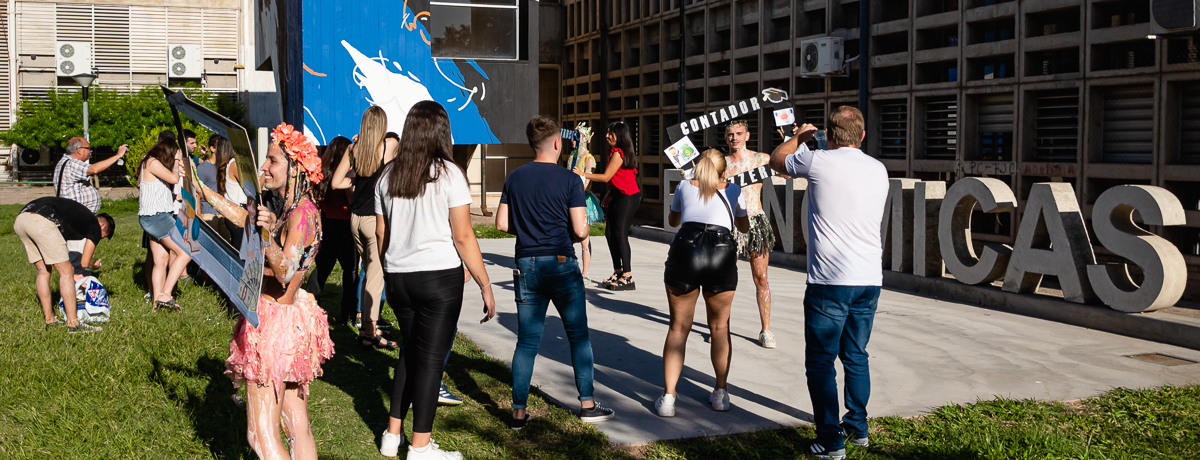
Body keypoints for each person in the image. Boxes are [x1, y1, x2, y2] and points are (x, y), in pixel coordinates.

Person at [199, 122, 334, 460]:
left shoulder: (301, 215)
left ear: (296, 168)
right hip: (291, 321)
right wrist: (205, 194)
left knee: (260, 435)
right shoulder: (295, 210)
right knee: (295, 424)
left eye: (273, 161)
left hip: (276, 325)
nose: (264, 167)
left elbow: (286, 270)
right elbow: (248, 221)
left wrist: (267, 236)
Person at [374, 101, 495, 459]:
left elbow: (383, 233)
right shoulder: (450, 174)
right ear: (441, 132)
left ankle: (392, 435)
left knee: (411, 354)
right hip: (438, 279)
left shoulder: (388, 175)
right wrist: (485, 283)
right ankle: (421, 447)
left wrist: (391, 269)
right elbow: (463, 236)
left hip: (399, 277)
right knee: (429, 362)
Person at [769, 107, 889, 460]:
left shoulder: (819, 161)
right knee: (856, 355)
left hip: (830, 281)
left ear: (830, 135)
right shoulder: (878, 168)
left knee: (821, 361)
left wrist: (797, 138)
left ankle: (830, 440)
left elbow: (779, 161)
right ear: (863, 135)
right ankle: (858, 427)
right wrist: (811, 146)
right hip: (869, 279)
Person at [497, 116, 616, 431]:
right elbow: (579, 230)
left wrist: (527, 228)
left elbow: (500, 224)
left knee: (527, 340)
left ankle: (518, 413)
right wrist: (583, 227)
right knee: (577, 335)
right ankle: (587, 404)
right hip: (561, 263)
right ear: (556, 143)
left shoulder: (514, 178)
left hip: (526, 264)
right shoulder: (568, 181)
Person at [656, 149, 750, 417]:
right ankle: (721, 393)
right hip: (721, 252)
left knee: (678, 327)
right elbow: (742, 227)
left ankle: (668, 398)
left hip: (686, 250)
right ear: (725, 170)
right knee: (720, 327)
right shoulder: (733, 190)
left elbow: (673, 221)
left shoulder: (684, 185)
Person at [331, 105, 399, 349]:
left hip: (355, 219)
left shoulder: (353, 148)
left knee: (368, 270)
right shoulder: (387, 146)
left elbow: (336, 183)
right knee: (375, 274)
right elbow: (392, 178)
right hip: (374, 219)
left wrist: (357, 178)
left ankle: (369, 328)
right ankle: (368, 332)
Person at [15, 197, 114, 333]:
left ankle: (50, 320)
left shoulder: (77, 221)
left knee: (43, 270)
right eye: (102, 236)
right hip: (41, 221)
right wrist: (95, 266)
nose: (98, 239)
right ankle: (73, 324)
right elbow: (85, 263)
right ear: (102, 226)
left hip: (21, 219)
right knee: (67, 271)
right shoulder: (94, 226)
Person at [723, 120, 779, 349]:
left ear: (747, 135)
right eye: (730, 134)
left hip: (755, 221)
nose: (734, 137)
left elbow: (786, 168)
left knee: (761, 278)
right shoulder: (722, 164)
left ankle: (766, 329)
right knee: (725, 279)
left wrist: (790, 138)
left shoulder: (761, 160)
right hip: (730, 224)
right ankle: (721, 328)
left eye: (738, 133)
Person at [575, 121, 640, 291]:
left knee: (620, 234)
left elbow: (605, 177)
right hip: (618, 195)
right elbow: (619, 176)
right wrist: (610, 194)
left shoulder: (619, 153)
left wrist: (583, 174)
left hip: (628, 197)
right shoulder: (615, 152)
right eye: (607, 133)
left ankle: (628, 276)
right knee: (610, 234)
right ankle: (618, 271)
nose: (607, 136)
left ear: (620, 136)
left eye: (611, 134)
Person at [305, 136, 359, 325]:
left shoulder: (321, 173)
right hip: (345, 225)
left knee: (322, 268)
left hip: (326, 224)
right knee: (350, 271)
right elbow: (351, 202)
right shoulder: (345, 175)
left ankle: (310, 302)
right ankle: (347, 313)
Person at [137, 140, 191, 311]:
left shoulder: (153, 163)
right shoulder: (152, 162)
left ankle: (155, 305)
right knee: (185, 252)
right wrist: (176, 161)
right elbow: (174, 178)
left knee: (161, 260)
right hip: (157, 217)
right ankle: (165, 294)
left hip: (154, 216)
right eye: (175, 153)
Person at [52, 137, 127, 213]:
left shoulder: (66, 162)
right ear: (79, 150)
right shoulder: (71, 163)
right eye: (88, 148)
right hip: (75, 215)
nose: (91, 151)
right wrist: (118, 156)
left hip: (75, 214)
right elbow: (94, 169)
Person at [197, 135, 233, 241]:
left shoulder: (225, 166)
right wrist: (199, 213)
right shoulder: (202, 168)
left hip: (224, 213)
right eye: (220, 146)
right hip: (208, 213)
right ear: (212, 148)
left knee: (228, 244)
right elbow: (197, 192)